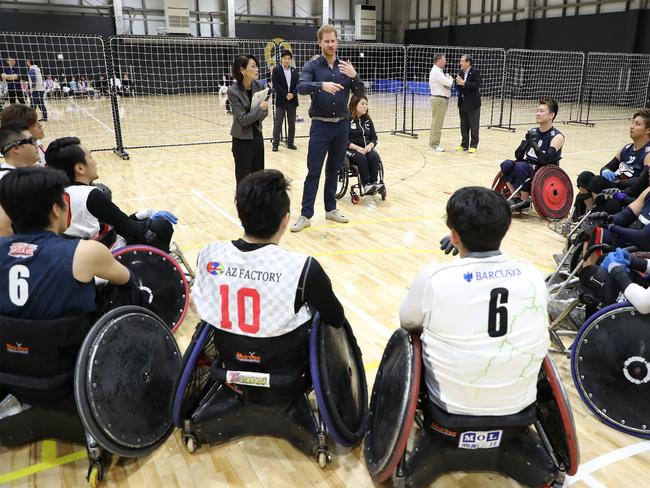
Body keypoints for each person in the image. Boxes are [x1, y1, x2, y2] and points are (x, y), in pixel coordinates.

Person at [192, 169, 345, 403]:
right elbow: (335, 318)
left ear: (240, 213)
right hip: (286, 372)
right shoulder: (302, 267)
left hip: (230, 361)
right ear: (285, 219)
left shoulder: (208, 255)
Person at [400, 186, 549, 416]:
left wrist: (463, 244)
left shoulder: (433, 278)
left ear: (454, 235)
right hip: (521, 405)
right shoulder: (534, 275)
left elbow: (407, 323)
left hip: (451, 407)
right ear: (507, 228)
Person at [0, 167, 140, 320]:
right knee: (130, 290)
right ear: (56, 210)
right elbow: (128, 280)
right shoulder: (86, 251)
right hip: (73, 342)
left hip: (8, 341)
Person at [291, 25, 365, 232]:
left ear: (337, 42)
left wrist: (355, 76)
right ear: (319, 42)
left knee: (334, 170)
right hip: (320, 127)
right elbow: (300, 87)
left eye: (333, 41)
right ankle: (306, 215)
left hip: (341, 126)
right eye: (327, 41)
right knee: (313, 171)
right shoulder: (312, 66)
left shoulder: (346, 68)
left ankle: (331, 209)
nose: (331, 44)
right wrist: (320, 85)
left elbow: (360, 93)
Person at [44, 136, 177, 252]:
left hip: (76, 256)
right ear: (80, 168)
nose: (95, 162)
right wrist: (149, 217)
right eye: (90, 157)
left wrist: (143, 214)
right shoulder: (90, 195)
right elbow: (129, 227)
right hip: (108, 257)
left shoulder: (53, 193)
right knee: (161, 226)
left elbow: (119, 221)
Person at [499, 98, 565, 211]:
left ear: (551, 115)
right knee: (506, 164)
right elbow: (518, 156)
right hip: (528, 167)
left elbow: (546, 160)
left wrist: (533, 143)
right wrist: (525, 143)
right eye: (537, 110)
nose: (537, 113)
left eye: (541, 111)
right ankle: (515, 197)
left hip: (543, 171)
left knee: (521, 166)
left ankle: (525, 201)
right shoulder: (533, 131)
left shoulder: (557, 137)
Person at [583, 109, 650, 211]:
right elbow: (606, 167)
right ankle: (590, 211)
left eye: (637, 124)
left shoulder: (648, 153)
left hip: (629, 191)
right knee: (585, 177)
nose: (632, 126)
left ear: (648, 130)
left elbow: (642, 182)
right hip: (616, 185)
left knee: (597, 181)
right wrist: (606, 171)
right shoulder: (626, 148)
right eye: (632, 123)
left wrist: (618, 183)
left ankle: (597, 215)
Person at [227, 54, 269, 185]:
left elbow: (265, 111)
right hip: (241, 140)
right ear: (242, 70)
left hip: (257, 136)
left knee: (259, 178)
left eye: (257, 66)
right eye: (253, 66)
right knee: (243, 179)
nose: (257, 69)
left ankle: (258, 205)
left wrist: (261, 111)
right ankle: (243, 205)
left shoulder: (260, 86)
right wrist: (260, 110)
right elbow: (243, 120)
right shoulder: (233, 91)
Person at [0, 125, 42, 237]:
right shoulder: (7, 182)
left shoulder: (26, 175)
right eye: (32, 141)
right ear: (16, 148)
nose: (36, 145)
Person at [346, 95, 382, 194]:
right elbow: (343, 140)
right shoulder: (347, 119)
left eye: (366, 104)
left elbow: (374, 138)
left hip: (365, 148)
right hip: (350, 149)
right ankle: (365, 184)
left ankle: (373, 183)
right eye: (362, 104)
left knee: (374, 156)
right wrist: (358, 148)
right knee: (361, 157)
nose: (365, 106)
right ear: (354, 105)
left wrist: (370, 146)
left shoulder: (367, 120)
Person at [271, 50, 299, 152]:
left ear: (291, 60)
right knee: (278, 123)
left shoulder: (295, 71)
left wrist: (293, 94)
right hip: (281, 101)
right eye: (285, 58)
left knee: (292, 123)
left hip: (292, 100)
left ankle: (290, 143)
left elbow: (298, 85)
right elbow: (275, 84)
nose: (287, 60)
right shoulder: (276, 70)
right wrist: (285, 94)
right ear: (281, 59)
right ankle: (275, 144)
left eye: (288, 58)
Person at [455, 54, 481, 153]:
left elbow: (477, 85)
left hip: (473, 104)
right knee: (464, 125)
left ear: (468, 62)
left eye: (462, 61)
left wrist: (464, 83)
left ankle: (473, 145)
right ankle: (464, 144)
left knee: (474, 125)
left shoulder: (475, 72)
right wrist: (457, 83)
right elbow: (458, 87)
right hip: (462, 103)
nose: (460, 63)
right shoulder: (460, 72)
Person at [428, 53, 452, 152]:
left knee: (436, 123)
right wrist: (450, 78)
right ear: (438, 61)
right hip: (439, 100)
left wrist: (447, 83)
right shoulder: (437, 72)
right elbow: (449, 83)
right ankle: (434, 145)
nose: (446, 61)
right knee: (437, 124)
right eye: (444, 60)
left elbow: (447, 86)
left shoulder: (439, 71)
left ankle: (433, 143)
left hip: (440, 99)